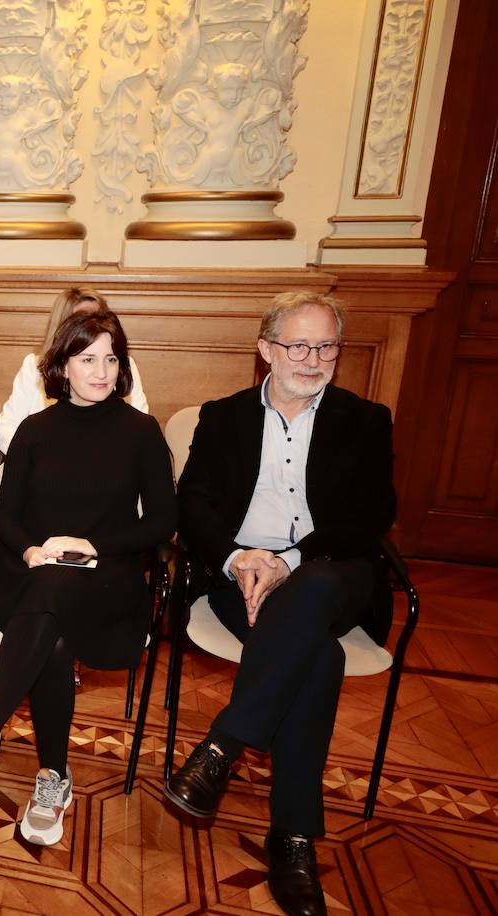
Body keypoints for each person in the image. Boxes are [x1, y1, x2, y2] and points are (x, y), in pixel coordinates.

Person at [165, 291, 395, 916]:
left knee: (312, 588)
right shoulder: (224, 417)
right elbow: (193, 504)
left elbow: (370, 516)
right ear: (266, 350)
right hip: (240, 577)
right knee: (318, 658)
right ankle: (293, 839)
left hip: (330, 573)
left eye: (326, 347)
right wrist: (239, 559)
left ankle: (222, 745)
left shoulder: (365, 420)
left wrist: (289, 561)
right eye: (298, 346)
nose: (313, 359)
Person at [0, 310, 175, 848]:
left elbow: (162, 520)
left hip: (108, 574)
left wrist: (94, 546)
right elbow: (5, 514)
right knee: (52, 626)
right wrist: (33, 550)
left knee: (52, 602)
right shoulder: (36, 429)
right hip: (32, 570)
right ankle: (53, 777)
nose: (101, 371)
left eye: (111, 359)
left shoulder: (141, 431)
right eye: (87, 359)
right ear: (61, 366)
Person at [0, 287, 150, 456]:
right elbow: (5, 428)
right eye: (81, 320)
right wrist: (39, 458)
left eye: (96, 318)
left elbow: (139, 430)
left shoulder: (123, 367)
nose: (102, 373)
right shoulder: (34, 366)